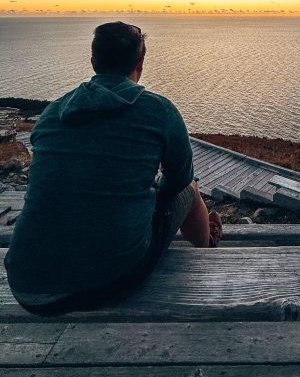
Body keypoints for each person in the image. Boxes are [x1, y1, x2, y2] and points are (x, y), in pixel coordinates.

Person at [4, 21, 222, 315]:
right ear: (141, 61)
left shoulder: (52, 113)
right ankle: (208, 246)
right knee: (189, 187)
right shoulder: (159, 110)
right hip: (110, 280)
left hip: (28, 287)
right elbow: (178, 181)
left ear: (93, 61)